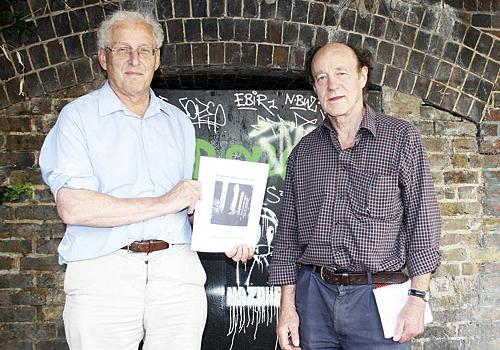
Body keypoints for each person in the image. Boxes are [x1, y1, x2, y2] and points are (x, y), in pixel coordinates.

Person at [39, 10, 253, 350]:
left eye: (145, 50)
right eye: (123, 49)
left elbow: (186, 205)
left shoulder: (178, 122)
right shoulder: (77, 118)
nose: (134, 59)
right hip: (104, 272)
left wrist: (225, 232)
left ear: (157, 59)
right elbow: (73, 206)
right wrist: (166, 201)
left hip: (176, 272)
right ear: (103, 58)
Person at [268, 42, 441, 350]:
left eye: (341, 73)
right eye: (321, 77)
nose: (332, 84)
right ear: (315, 89)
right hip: (314, 299)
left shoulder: (402, 139)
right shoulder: (302, 155)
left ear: (363, 76)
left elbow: (423, 222)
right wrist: (288, 308)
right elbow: (288, 237)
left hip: (378, 298)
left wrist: (418, 297)